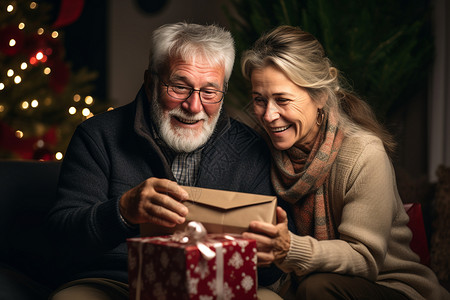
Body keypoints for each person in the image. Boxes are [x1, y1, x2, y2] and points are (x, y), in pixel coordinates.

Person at [46, 22, 284, 300]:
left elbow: (268, 272)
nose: (194, 107)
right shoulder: (98, 136)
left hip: (218, 285)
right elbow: (61, 239)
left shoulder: (250, 149)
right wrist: (122, 212)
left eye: (209, 92)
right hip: (117, 282)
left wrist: (271, 253)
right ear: (151, 82)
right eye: (179, 87)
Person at [240, 25, 450, 300]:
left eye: (282, 100)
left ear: (320, 97)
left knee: (317, 288)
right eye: (259, 100)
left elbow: (364, 258)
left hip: (389, 286)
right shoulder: (259, 149)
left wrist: (290, 248)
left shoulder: (364, 153)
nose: (268, 115)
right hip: (298, 283)